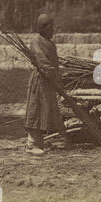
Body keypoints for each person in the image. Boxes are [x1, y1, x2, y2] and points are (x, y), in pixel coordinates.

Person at [23, 13, 65, 155]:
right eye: (50, 26)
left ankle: (39, 142)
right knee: (36, 109)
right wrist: (52, 73)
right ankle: (31, 144)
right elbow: (42, 61)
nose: (53, 29)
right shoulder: (36, 41)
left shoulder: (51, 43)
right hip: (40, 80)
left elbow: (54, 62)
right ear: (43, 27)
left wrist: (57, 76)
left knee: (45, 110)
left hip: (49, 80)